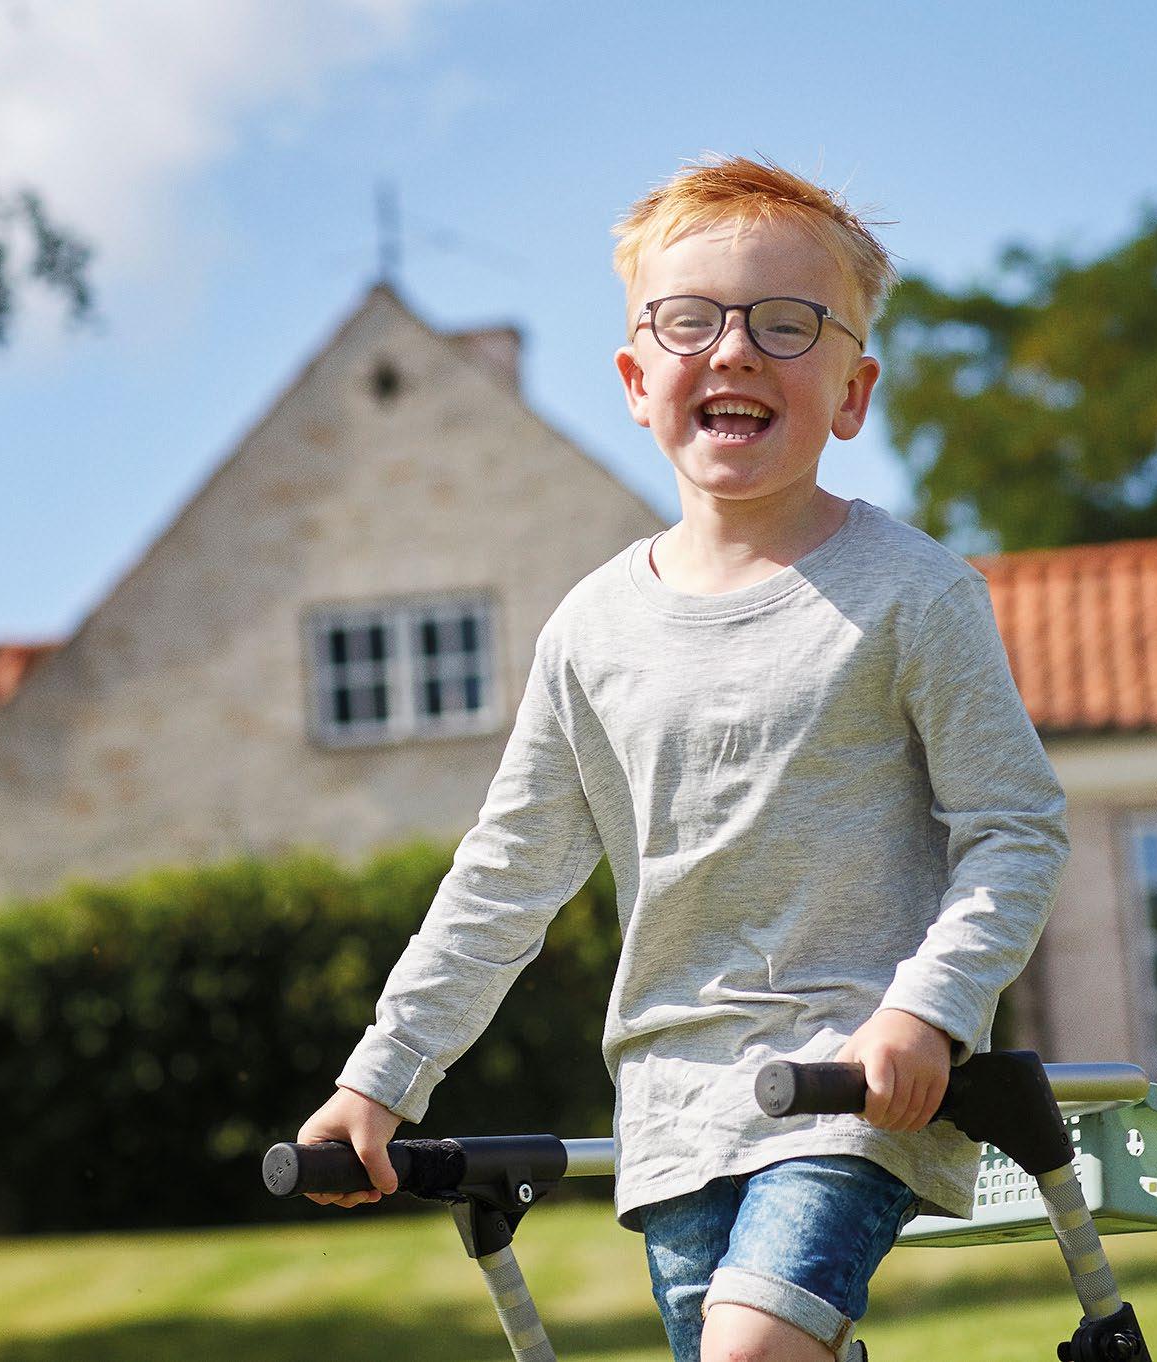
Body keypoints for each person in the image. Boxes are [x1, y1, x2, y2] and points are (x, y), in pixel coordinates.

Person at [296, 154, 1069, 1362]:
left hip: (848, 1094)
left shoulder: (914, 596)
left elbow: (1015, 831)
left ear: (853, 392)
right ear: (635, 379)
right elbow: (503, 881)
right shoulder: (590, 634)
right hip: (671, 1116)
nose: (736, 350)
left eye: (787, 324)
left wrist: (926, 1012)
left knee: (750, 1351)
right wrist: (379, 1080)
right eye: (691, 320)